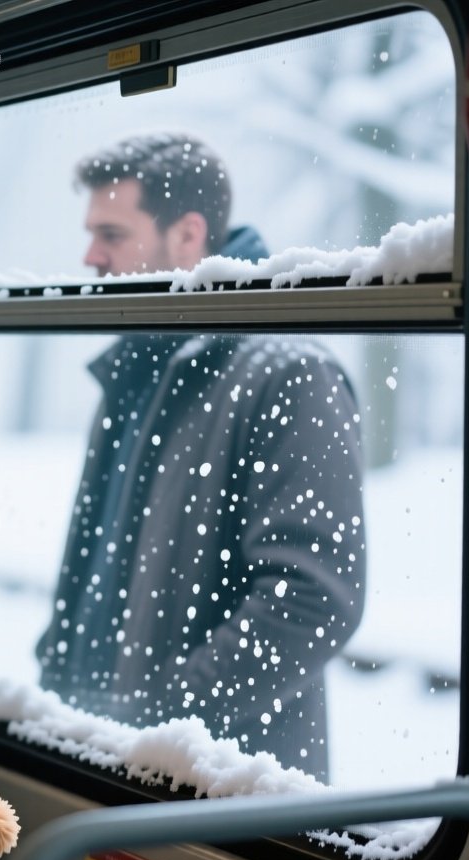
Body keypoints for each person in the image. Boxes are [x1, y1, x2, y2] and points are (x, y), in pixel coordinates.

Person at [36, 134, 367, 781]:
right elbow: (95, 562)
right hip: (107, 758)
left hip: (217, 783)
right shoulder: (136, 366)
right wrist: (60, 683)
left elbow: (313, 599)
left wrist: (160, 719)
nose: (90, 256)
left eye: (111, 234)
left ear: (188, 236)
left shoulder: (288, 372)